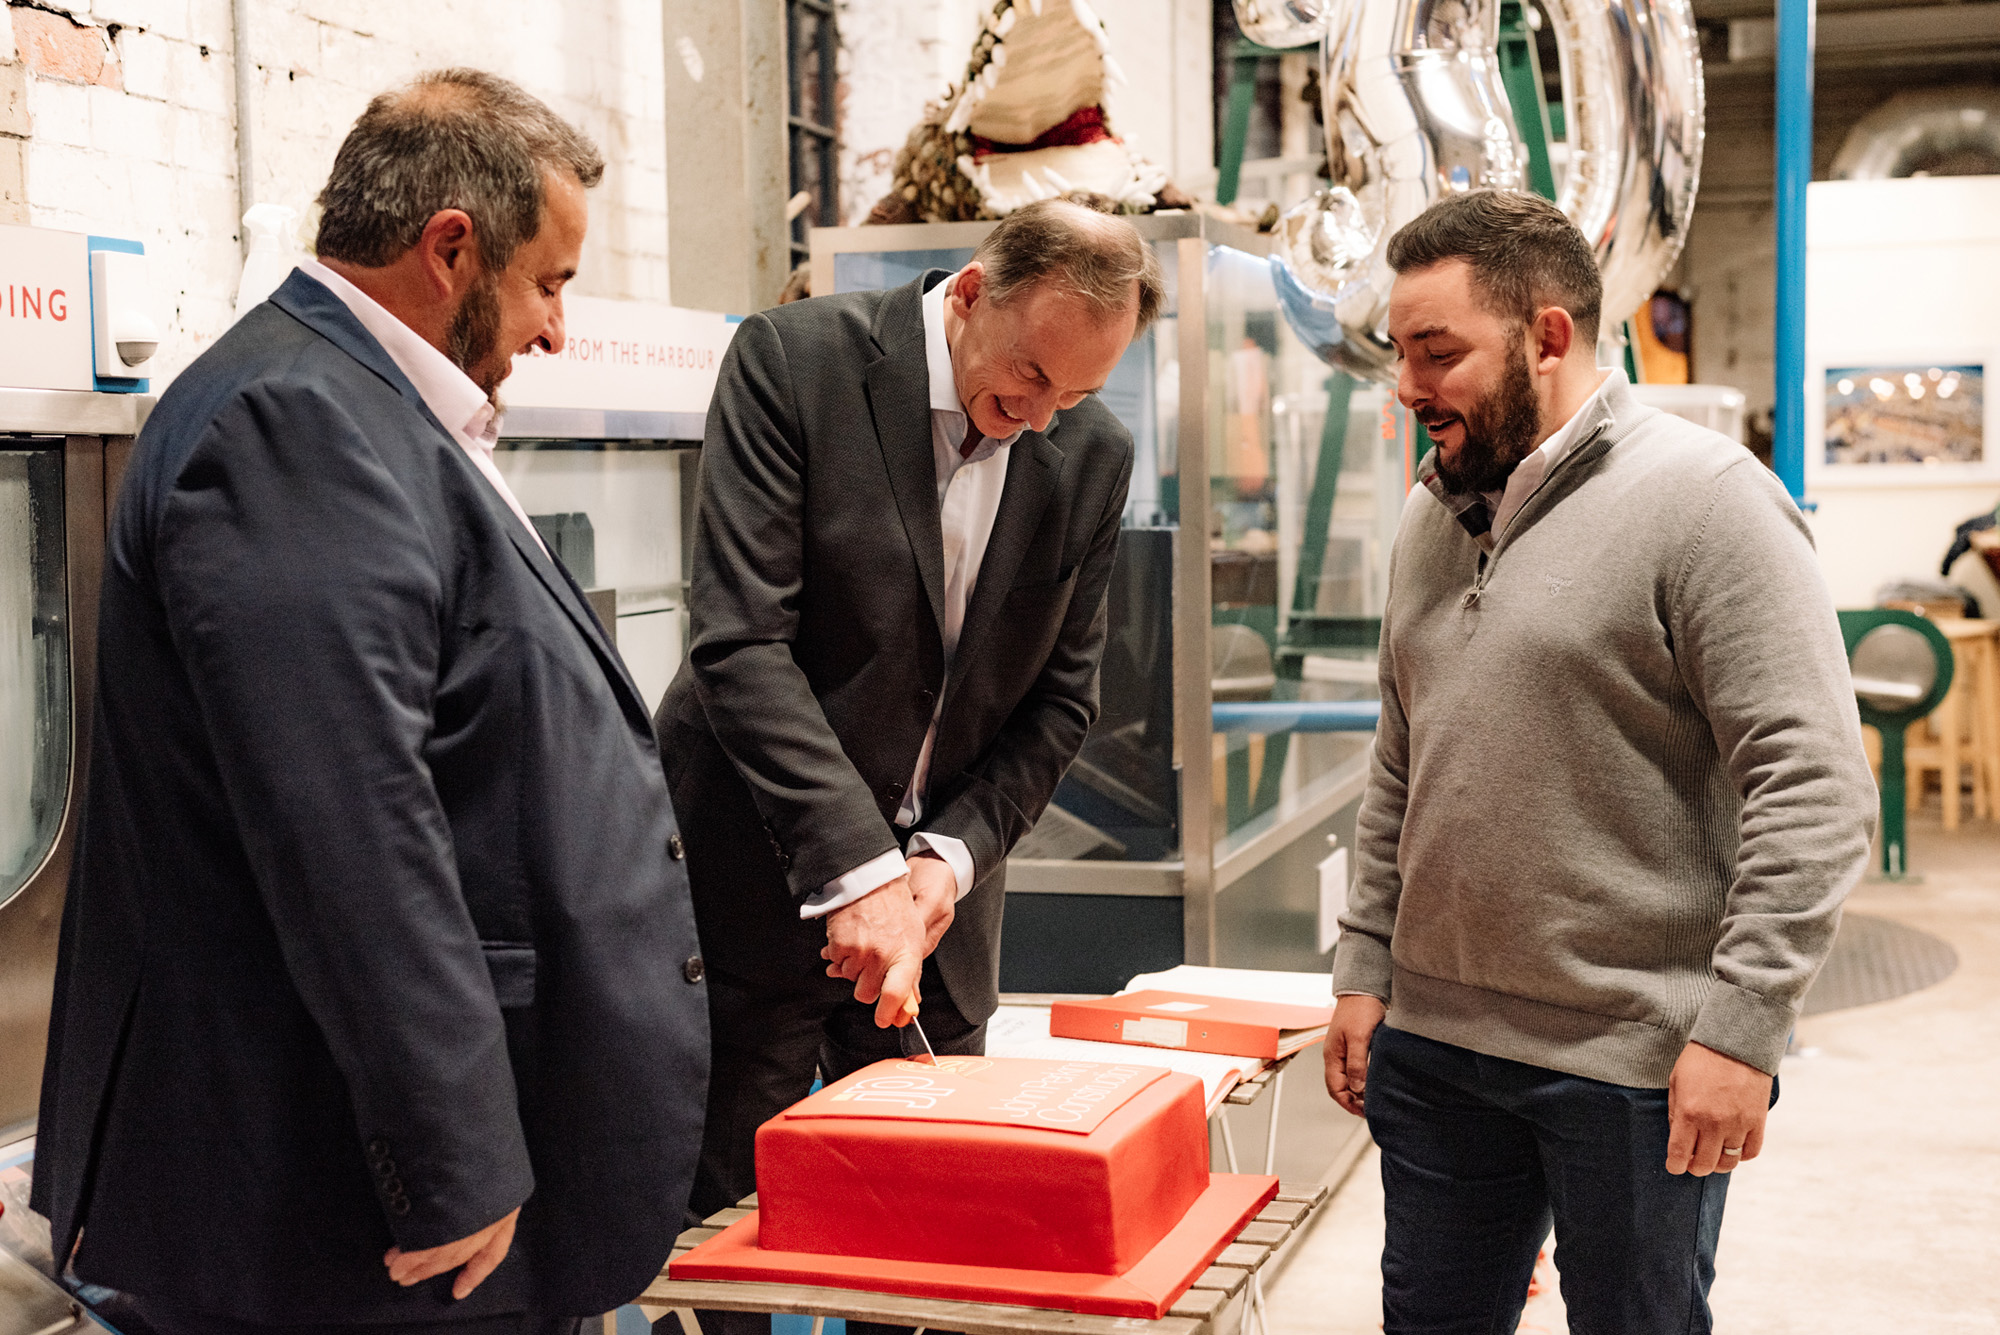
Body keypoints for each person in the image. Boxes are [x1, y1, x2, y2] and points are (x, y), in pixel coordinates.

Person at [32, 70, 708, 1335]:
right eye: (549, 282)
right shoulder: (294, 419)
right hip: (344, 1202)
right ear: (451, 247)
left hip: (380, 1187)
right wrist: (455, 1159)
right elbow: (348, 822)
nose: (557, 329)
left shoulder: (367, 408)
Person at [1325, 189, 1877, 1332]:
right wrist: (1363, 966)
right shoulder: (1434, 516)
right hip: (1433, 1051)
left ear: (1547, 335)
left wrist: (1741, 1025)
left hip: (1628, 1063)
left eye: (1438, 354)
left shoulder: (1708, 504)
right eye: (1400, 354)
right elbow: (1398, 765)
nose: (1407, 387)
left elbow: (1813, 785)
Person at [656, 198, 1160, 1334]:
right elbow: (739, 641)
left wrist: (945, 858)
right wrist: (859, 872)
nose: (1037, 419)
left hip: (938, 919)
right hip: (756, 884)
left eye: (1073, 396)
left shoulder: (1088, 454)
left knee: (932, 1248)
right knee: (727, 1244)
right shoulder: (795, 363)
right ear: (972, 293)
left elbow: (1059, 701)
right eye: (1028, 376)